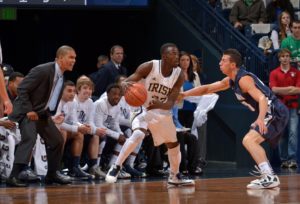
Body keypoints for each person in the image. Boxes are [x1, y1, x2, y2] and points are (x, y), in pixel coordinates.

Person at [179, 49, 288, 189]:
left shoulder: (243, 79)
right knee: (250, 141)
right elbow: (207, 89)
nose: (219, 63)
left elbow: (262, 98)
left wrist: (260, 119)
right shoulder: (231, 80)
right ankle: (268, 175)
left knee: (249, 140)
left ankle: (269, 176)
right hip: (273, 112)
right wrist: (184, 94)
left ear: (233, 64)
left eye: (223, 60)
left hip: (274, 112)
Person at [105, 43, 195, 187]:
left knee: (174, 145)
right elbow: (128, 81)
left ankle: (174, 176)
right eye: (174, 53)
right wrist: (125, 85)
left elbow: (171, 102)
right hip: (142, 106)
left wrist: (159, 104)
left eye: (178, 53)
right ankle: (116, 166)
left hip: (160, 110)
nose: (177, 56)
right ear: (164, 56)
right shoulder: (149, 66)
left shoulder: (179, 75)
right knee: (139, 134)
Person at [6, 45, 76, 187]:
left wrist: (49, 114)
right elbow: (22, 88)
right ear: (60, 58)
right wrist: (29, 110)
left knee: (57, 140)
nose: (74, 60)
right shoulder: (43, 70)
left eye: (75, 58)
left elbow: (49, 97)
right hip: (27, 111)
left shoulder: (61, 76)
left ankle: (52, 175)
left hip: (41, 114)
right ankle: (13, 176)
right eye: (71, 57)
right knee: (30, 138)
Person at [269, 49, 300, 169]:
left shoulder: (296, 72)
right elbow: (274, 89)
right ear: (279, 58)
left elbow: (298, 89)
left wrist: (282, 89)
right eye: (283, 56)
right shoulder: (274, 73)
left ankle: (292, 159)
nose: (285, 58)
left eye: (287, 56)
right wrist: (290, 88)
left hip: (293, 106)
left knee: (293, 132)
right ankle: (284, 159)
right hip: (280, 107)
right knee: (282, 133)